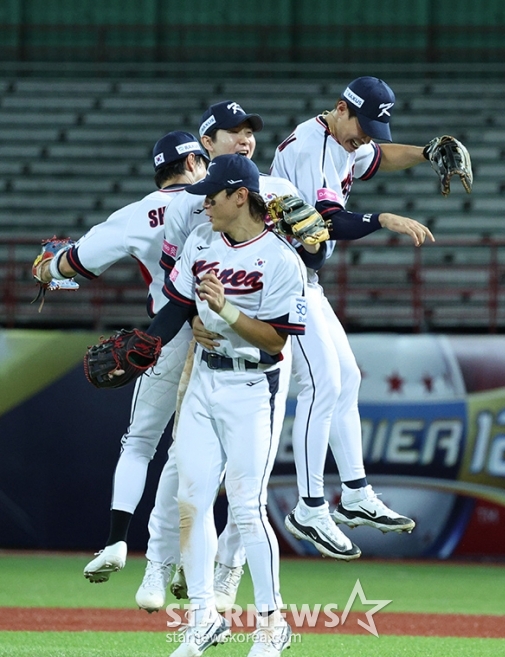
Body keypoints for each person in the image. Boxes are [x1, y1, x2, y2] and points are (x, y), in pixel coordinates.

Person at [137, 100, 326, 613]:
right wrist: (150, 344)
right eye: (231, 131)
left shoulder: (279, 212)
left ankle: (245, 595)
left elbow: (282, 326)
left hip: (256, 377)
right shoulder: (197, 223)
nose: (244, 138)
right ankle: (181, 588)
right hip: (203, 367)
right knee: (188, 484)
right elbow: (177, 298)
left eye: (249, 131)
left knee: (247, 500)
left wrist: (223, 313)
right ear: (207, 144)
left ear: (239, 195)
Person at [32, 131, 208, 604]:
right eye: (203, 160)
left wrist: (48, 268)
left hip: (165, 334)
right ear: (192, 162)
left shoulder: (136, 214)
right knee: (196, 454)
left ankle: (115, 539)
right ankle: (185, 560)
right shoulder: (218, 200)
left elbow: (73, 264)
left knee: (139, 444)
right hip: (221, 335)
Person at [270, 76, 438, 555]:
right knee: (321, 385)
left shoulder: (345, 141)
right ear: (341, 108)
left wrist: (426, 152)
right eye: (361, 126)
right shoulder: (312, 145)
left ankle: (357, 493)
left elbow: (380, 159)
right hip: (282, 278)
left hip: (306, 279)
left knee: (346, 377)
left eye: (371, 129)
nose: (364, 137)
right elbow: (328, 222)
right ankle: (307, 507)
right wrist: (384, 219)